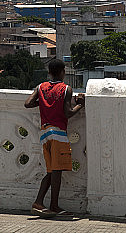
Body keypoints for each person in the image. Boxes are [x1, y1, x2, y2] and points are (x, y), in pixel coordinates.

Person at [24, 58, 84, 218]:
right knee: (56, 171)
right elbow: (68, 113)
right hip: (58, 133)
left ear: (50, 73)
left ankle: (41, 203)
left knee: (52, 170)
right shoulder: (66, 89)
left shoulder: (41, 87)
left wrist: (44, 102)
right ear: (63, 72)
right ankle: (52, 205)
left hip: (45, 133)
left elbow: (28, 103)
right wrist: (80, 105)